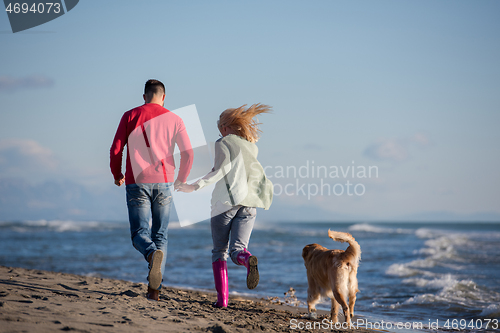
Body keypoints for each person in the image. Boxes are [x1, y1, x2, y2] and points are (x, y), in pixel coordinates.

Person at [177, 104, 273, 308]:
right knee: (238, 249)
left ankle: (223, 301)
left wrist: (194, 186)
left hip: (225, 203)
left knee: (219, 251)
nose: (219, 130)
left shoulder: (223, 143)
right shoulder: (251, 146)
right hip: (249, 205)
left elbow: (220, 170)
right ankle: (247, 260)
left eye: (220, 126)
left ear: (227, 127)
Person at [110, 79, 193, 301]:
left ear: (145, 96)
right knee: (161, 235)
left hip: (136, 182)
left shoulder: (130, 115)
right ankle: (154, 291)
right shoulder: (175, 119)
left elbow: (116, 149)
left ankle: (149, 253)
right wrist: (182, 179)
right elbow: (188, 154)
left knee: (139, 234)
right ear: (163, 97)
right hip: (165, 181)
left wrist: (117, 173)